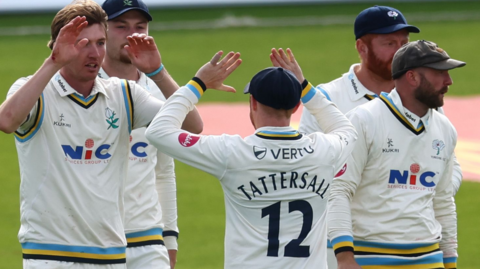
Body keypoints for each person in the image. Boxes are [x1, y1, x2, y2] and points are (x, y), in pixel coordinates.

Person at [0, 0, 201, 268]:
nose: (94, 53)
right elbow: (6, 120)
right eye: (83, 44)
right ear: (58, 46)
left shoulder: (123, 94)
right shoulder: (34, 91)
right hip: (50, 255)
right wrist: (52, 64)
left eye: (100, 43)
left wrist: (158, 72)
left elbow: (191, 125)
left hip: (111, 255)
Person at [145, 50, 357, 269]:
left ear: (253, 103)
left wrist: (198, 84)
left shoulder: (232, 152)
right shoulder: (324, 151)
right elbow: (346, 130)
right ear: (296, 107)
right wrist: (304, 86)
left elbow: (158, 132)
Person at [297, 6, 461, 267]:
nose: (399, 51)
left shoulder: (430, 106)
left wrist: (412, 193)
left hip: (423, 249)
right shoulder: (329, 99)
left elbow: (445, 174)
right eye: (389, 43)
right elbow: (313, 172)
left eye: (404, 43)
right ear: (362, 48)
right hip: (353, 245)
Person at [327, 40, 465, 269]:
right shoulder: (363, 120)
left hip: (429, 259)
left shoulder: (445, 129)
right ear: (412, 77)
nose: (448, 81)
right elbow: (338, 190)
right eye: (440, 73)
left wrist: (450, 262)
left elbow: (443, 201)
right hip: (371, 259)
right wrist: (344, 258)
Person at [100, 0, 202, 268]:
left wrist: (169, 240)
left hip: (147, 240)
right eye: (121, 26)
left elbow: (164, 171)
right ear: (103, 30)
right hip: (92, 239)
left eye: (140, 27)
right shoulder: (85, 86)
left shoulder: (158, 89)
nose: (132, 35)